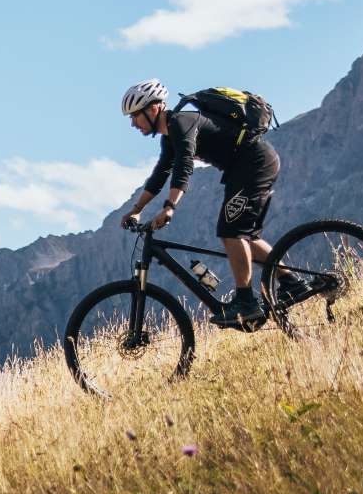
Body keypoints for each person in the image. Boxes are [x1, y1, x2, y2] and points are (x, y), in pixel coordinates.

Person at [116, 79, 282, 327]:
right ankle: (292, 283)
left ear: (153, 109)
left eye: (135, 116)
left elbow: (184, 165)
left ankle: (246, 302)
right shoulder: (169, 136)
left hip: (255, 164)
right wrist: (136, 210)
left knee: (231, 231)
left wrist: (170, 207)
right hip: (245, 168)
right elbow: (161, 174)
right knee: (243, 235)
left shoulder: (182, 122)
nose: (132, 124)